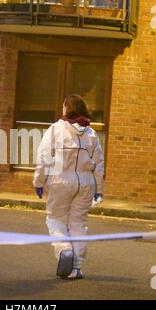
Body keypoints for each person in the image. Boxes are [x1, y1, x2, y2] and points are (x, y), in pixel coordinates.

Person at [33, 94, 104, 280]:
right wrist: (99, 189)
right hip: (86, 183)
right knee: (78, 224)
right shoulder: (91, 133)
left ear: (67, 108)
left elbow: (43, 158)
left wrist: (38, 182)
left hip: (60, 181)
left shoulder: (56, 129)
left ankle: (64, 249)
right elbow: (99, 163)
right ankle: (77, 267)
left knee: (55, 219)